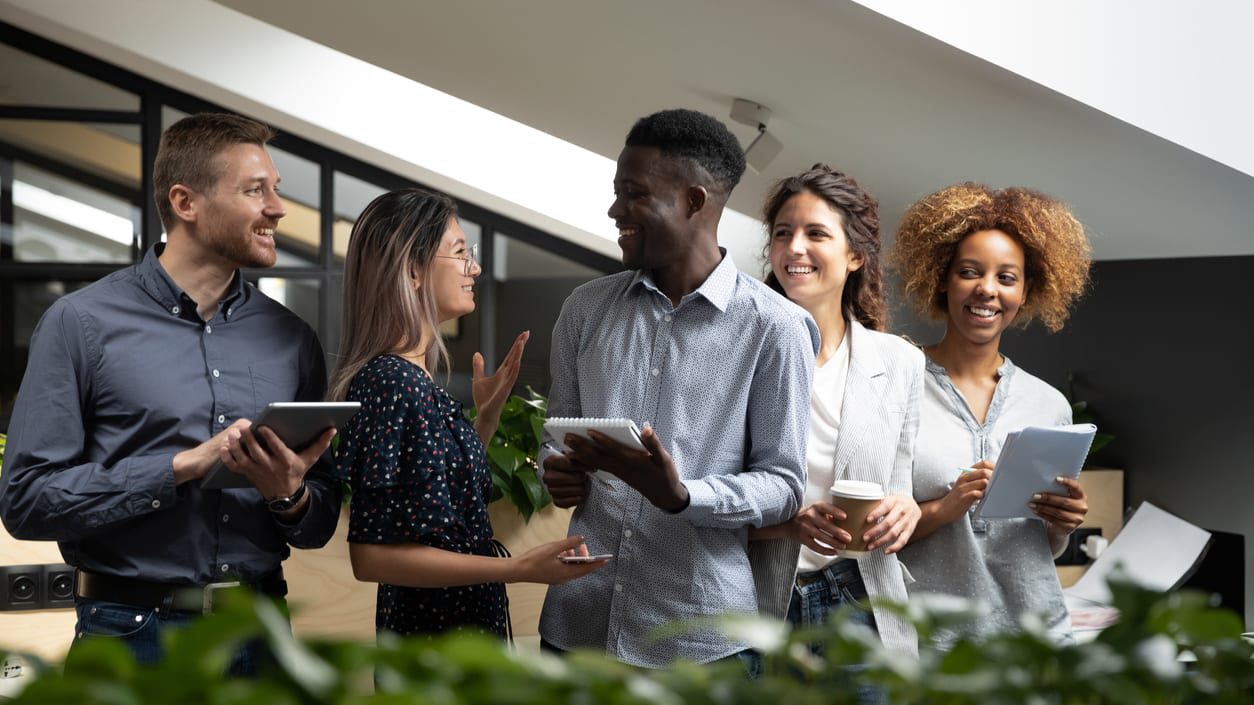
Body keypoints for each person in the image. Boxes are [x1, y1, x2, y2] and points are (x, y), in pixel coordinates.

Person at [0, 113, 341, 670]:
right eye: (256, 190)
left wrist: (290, 495)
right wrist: (181, 466)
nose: (277, 208)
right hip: (132, 635)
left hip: (262, 633)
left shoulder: (291, 338)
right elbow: (28, 501)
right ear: (185, 202)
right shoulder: (78, 324)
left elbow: (317, 522)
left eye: (276, 189)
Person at [538, 108, 819, 669]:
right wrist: (557, 470)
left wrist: (683, 496)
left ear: (694, 201)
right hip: (576, 629)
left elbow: (784, 484)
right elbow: (557, 437)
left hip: (701, 648)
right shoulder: (584, 311)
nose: (615, 209)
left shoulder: (776, 328)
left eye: (633, 193)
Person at [329, 187, 606, 639]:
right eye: (460, 253)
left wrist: (486, 420)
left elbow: (435, 507)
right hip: (433, 655)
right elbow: (373, 556)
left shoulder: (411, 379)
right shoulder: (393, 382)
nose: (474, 268)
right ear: (414, 271)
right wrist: (519, 568)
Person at [890, 183, 1091, 648]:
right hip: (931, 649)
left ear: (1026, 291)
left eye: (1007, 277)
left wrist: (1062, 522)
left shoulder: (1049, 405)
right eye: (969, 272)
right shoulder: (898, 385)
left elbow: (1045, 547)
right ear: (942, 278)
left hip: (1034, 644)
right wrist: (945, 508)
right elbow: (871, 532)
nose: (987, 289)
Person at [748, 165, 924, 661]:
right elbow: (703, 496)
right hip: (762, 601)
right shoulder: (740, 355)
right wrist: (786, 526)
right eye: (783, 233)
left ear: (854, 257)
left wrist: (905, 509)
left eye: (816, 234)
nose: (794, 247)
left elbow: (900, 486)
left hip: (863, 601)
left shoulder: (901, 362)